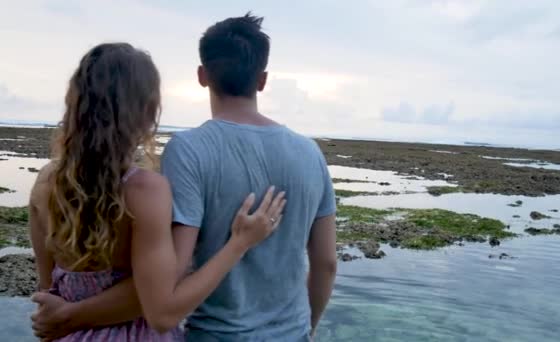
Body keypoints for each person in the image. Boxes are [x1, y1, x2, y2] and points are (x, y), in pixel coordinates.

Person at [31, 13, 337, 341]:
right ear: (261, 80)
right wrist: (308, 327)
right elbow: (326, 263)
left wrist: (68, 315)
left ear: (202, 75)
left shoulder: (187, 150)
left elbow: (52, 288)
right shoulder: (310, 153)